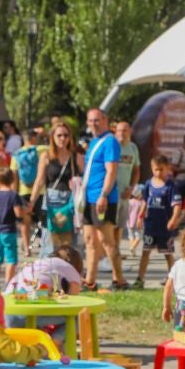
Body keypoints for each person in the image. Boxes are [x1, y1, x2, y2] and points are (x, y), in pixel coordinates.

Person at [78, 107, 127, 290]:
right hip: (89, 197)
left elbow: (111, 171)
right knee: (90, 240)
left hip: (102, 198)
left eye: (97, 120)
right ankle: (90, 280)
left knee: (107, 240)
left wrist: (104, 195)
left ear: (105, 120)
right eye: (90, 121)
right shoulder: (93, 141)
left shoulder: (110, 142)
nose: (93, 124)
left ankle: (119, 280)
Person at [30, 120, 84, 256]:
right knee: (49, 238)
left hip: (70, 201)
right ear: (52, 137)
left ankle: (71, 270)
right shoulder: (46, 156)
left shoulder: (76, 157)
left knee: (70, 239)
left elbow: (86, 179)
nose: (63, 139)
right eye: (59, 135)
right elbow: (40, 180)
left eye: (66, 135)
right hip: (51, 200)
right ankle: (47, 270)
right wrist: (31, 201)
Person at [134, 154, 184, 288]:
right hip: (150, 225)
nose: (158, 172)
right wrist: (140, 216)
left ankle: (173, 279)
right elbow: (145, 200)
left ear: (168, 168)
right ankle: (140, 279)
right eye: (155, 169)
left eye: (161, 169)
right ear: (151, 168)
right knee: (145, 251)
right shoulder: (149, 184)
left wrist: (174, 219)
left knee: (167, 254)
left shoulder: (170, 186)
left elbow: (177, 205)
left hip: (164, 227)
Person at [0, 166, 25, 287]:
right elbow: (18, 213)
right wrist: (24, 214)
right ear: (12, 179)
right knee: (11, 259)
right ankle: (8, 284)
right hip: (9, 230)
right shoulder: (13, 195)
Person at [111, 119, 142, 249]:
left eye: (124, 130)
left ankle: (116, 251)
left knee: (120, 226)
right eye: (119, 130)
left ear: (130, 131)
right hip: (112, 192)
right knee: (110, 225)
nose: (121, 133)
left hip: (125, 193)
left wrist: (131, 188)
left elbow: (136, 170)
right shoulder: (112, 146)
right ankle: (108, 253)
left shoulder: (133, 148)